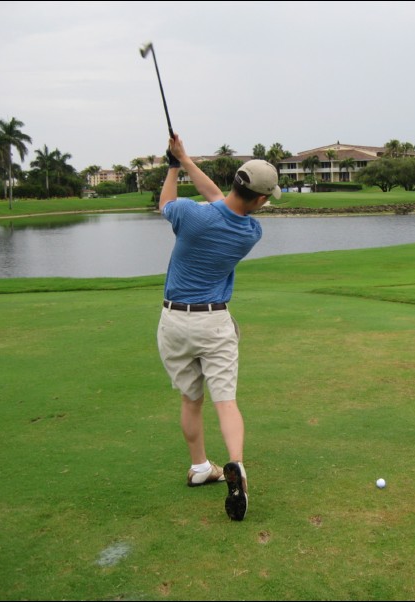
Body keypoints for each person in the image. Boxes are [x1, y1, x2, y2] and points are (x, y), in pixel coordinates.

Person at [157, 134, 281, 521]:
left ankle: (199, 468)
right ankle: (236, 466)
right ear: (260, 199)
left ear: (235, 183)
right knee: (225, 401)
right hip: (214, 322)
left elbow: (167, 203)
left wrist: (176, 165)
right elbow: (221, 203)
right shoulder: (250, 233)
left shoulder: (190, 216)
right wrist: (186, 160)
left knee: (190, 400)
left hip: (174, 321)